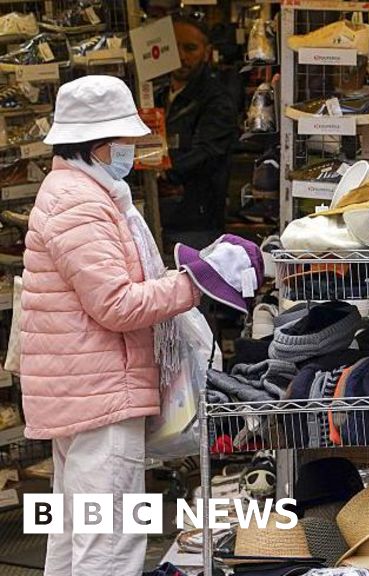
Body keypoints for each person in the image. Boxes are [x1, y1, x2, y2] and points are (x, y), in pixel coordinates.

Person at [21, 76, 201, 574]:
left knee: (76, 532)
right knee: (111, 539)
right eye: (125, 140)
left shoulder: (77, 192)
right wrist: (194, 285)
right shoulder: (81, 202)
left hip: (84, 387)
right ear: (97, 143)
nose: (131, 151)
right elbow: (117, 304)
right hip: (101, 390)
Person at [159, 15, 236, 247]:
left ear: (206, 51)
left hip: (197, 223)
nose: (181, 56)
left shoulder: (217, 99)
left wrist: (165, 173)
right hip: (160, 213)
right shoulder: (156, 95)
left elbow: (208, 151)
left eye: (190, 48)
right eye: (173, 48)